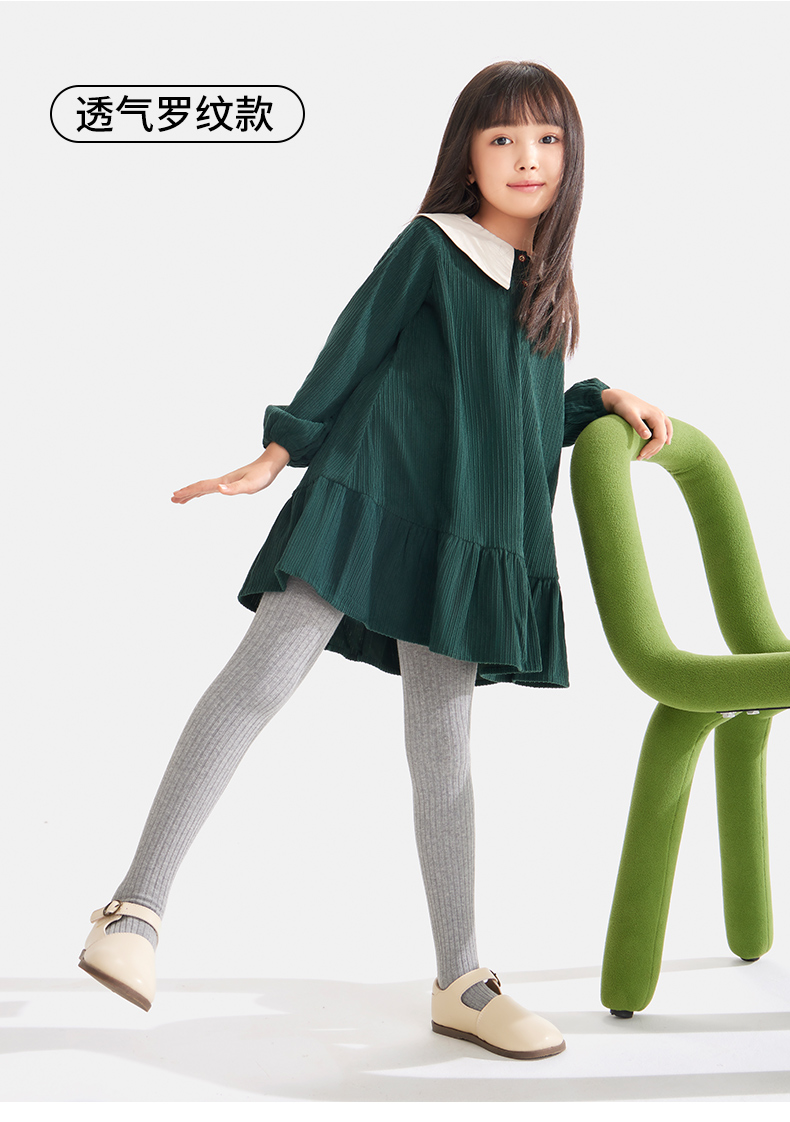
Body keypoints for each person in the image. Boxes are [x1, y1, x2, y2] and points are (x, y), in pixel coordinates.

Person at [78, 60, 671, 1061]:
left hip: (466, 537)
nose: (526, 157)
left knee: (445, 756)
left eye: (547, 139)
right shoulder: (434, 244)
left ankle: (462, 980)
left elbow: (518, 417)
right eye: (501, 138)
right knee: (260, 681)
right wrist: (280, 450)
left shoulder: (545, 287)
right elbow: (351, 346)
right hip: (374, 497)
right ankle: (134, 910)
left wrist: (599, 397)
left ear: (571, 158)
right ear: (467, 156)